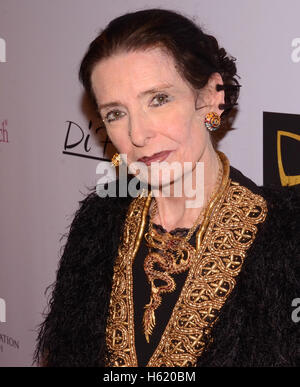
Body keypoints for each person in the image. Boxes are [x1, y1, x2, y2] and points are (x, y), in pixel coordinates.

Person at [34, 8, 300, 367]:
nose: (137, 135)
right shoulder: (99, 221)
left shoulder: (287, 236)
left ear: (210, 97)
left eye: (158, 100)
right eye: (116, 113)